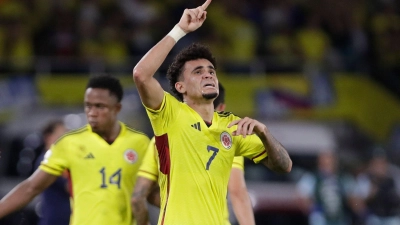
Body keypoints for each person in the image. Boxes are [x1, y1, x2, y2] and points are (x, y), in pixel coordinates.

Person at [132, 0, 292, 224]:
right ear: (181, 87)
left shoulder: (232, 126)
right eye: (198, 72)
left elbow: (284, 166)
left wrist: (264, 133)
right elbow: (141, 74)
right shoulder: (170, 114)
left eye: (211, 71)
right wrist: (180, 30)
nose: (208, 75)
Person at [0, 74, 150, 225]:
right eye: (88, 106)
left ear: (117, 108)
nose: (92, 112)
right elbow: (31, 187)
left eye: (99, 106)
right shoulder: (69, 144)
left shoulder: (140, 143)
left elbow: (153, 192)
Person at [132, 83, 256, 225]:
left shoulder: (159, 142)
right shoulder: (228, 140)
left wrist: (180, 207)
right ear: (221, 108)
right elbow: (237, 192)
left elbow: (138, 196)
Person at [296, 151, 355, 225]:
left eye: (329, 162)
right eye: (324, 162)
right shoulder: (311, 178)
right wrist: (313, 208)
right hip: (320, 219)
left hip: (341, 219)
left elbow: (354, 198)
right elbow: (301, 197)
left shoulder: (343, 178)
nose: (327, 165)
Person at [33, 119, 70, 225]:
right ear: (48, 137)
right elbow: (70, 187)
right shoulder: (47, 160)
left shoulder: (63, 160)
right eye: (61, 136)